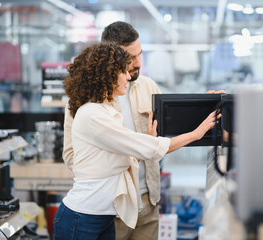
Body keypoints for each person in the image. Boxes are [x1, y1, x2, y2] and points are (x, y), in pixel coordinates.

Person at [54, 43, 219, 240]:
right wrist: (196, 133)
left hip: (104, 218)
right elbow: (152, 148)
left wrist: (203, 104)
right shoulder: (92, 115)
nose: (128, 77)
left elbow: (125, 161)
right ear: (106, 76)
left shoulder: (106, 111)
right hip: (80, 218)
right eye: (122, 72)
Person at [62, 21, 164, 240]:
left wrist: (208, 106)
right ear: (111, 57)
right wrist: (116, 164)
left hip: (148, 203)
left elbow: (167, 134)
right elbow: (71, 155)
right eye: (130, 57)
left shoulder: (149, 87)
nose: (137, 63)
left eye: (140, 54)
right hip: (111, 208)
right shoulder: (83, 98)